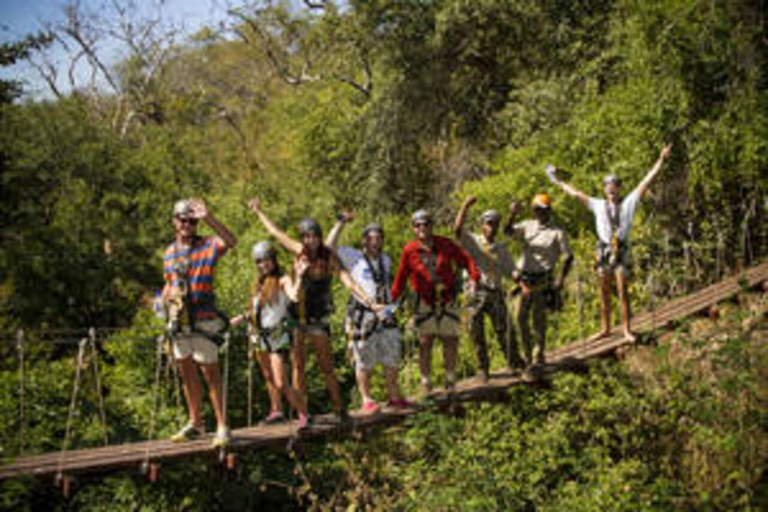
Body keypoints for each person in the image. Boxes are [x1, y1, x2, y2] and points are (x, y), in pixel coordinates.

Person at [248, 199, 382, 421]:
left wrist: (369, 301)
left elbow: (348, 281)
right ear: (302, 238)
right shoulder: (299, 251)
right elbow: (275, 232)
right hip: (297, 316)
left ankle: (339, 408)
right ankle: (303, 413)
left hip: (318, 317)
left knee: (327, 366)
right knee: (298, 367)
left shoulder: (328, 256)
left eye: (314, 236)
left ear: (319, 236)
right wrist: (259, 212)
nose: (310, 240)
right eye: (306, 236)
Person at [548, 144, 672, 341]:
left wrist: (661, 160)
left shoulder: (629, 202)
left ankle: (626, 329)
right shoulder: (598, 205)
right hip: (604, 250)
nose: (611, 190)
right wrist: (557, 182)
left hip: (621, 249)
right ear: (605, 189)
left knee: (623, 290)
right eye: (608, 187)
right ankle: (605, 328)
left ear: (619, 188)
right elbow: (575, 194)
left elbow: (646, 181)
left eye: (614, 186)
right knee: (603, 290)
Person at [162, 198, 237, 447]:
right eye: (183, 220)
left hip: (204, 318)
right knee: (186, 372)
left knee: (210, 373)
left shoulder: (207, 245)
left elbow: (230, 241)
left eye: (191, 221)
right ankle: (195, 422)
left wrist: (209, 218)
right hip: (180, 320)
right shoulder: (169, 253)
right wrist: (162, 302)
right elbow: (168, 283)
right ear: (175, 221)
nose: (187, 225)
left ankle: (222, 425)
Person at [390, 209, 480, 395]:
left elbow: (466, 259)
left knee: (450, 341)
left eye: (426, 224)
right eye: (418, 225)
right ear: (413, 229)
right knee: (425, 342)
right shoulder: (409, 251)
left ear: (432, 225)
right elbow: (401, 278)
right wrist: (390, 302)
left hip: (447, 298)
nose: (422, 228)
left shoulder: (445, 244)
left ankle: (450, 381)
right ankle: (426, 383)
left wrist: (474, 278)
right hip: (424, 301)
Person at [325, 218, 410, 413]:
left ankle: (393, 396)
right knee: (363, 358)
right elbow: (328, 246)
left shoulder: (386, 260)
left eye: (379, 238)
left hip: (385, 313)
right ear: (364, 240)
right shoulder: (353, 256)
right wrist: (340, 223)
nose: (375, 241)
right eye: (371, 238)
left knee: (392, 355)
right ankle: (366, 399)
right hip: (362, 315)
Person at [230, 241, 310, 429]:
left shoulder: (282, 279)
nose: (263, 264)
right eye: (259, 261)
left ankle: (304, 412)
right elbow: (259, 311)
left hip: (276, 336)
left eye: (266, 260)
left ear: (273, 260)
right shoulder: (258, 283)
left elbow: (294, 296)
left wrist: (298, 277)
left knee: (282, 382)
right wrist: (240, 318)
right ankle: (276, 410)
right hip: (259, 335)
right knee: (268, 377)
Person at [454, 197, 525, 380]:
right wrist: (465, 206)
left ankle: (515, 363)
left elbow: (511, 270)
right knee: (476, 333)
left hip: (495, 292)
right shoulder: (473, 241)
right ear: (482, 225)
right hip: (474, 292)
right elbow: (457, 229)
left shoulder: (501, 248)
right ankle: (482, 369)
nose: (491, 227)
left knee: (505, 329)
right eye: (488, 223)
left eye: (495, 223)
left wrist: (522, 282)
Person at [503, 194, 573, 368]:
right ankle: (527, 356)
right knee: (519, 318)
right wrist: (512, 214)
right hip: (523, 278)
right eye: (536, 209)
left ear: (548, 210)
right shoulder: (528, 225)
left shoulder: (557, 232)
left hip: (542, 279)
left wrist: (561, 279)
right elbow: (508, 231)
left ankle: (538, 355)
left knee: (538, 320)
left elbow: (568, 256)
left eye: (541, 209)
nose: (538, 213)